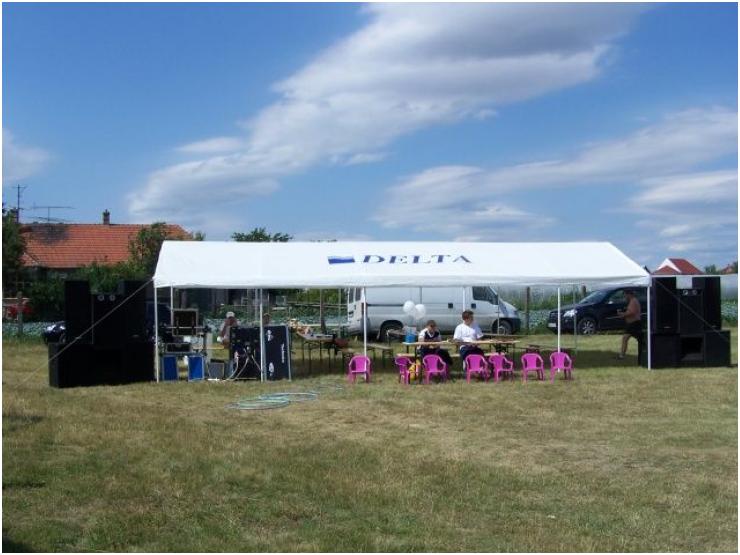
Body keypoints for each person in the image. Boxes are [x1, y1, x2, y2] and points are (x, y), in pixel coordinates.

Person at [617, 289, 642, 360]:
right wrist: (623, 314)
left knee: (626, 338)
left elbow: (632, 312)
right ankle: (622, 355)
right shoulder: (632, 301)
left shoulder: (633, 301)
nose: (625, 297)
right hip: (632, 324)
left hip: (634, 324)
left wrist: (623, 314)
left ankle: (622, 356)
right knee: (628, 338)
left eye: (625, 295)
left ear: (629, 294)